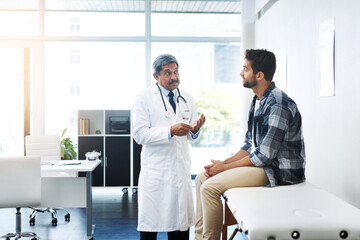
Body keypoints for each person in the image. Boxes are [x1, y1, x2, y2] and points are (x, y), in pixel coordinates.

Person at [194, 49, 306, 240]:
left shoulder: (278, 103)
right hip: (265, 165)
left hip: (279, 172)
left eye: (245, 69)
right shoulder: (258, 101)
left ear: (259, 75)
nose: (241, 73)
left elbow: (264, 155)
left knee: (210, 188)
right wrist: (220, 164)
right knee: (201, 178)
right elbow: (249, 145)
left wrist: (225, 168)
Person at [133, 54, 206, 240]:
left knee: (180, 228)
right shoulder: (144, 98)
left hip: (180, 170)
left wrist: (195, 130)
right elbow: (139, 134)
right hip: (156, 173)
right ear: (156, 76)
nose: (174, 77)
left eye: (176, 71)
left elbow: (191, 137)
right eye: (167, 73)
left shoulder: (186, 98)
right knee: (151, 227)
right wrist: (170, 131)